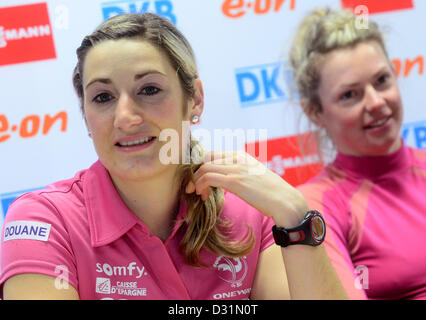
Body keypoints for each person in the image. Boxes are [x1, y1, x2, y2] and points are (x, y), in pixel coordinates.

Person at [0, 13, 347, 300]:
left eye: (148, 90)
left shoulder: (249, 210)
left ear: (194, 99)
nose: (124, 117)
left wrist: (296, 216)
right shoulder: (45, 223)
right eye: (103, 97)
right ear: (85, 114)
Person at [289, 8, 426, 299]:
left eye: (381, 81)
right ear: (315, 112)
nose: (376, 102)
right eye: (350, 94)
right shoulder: (316, 207)